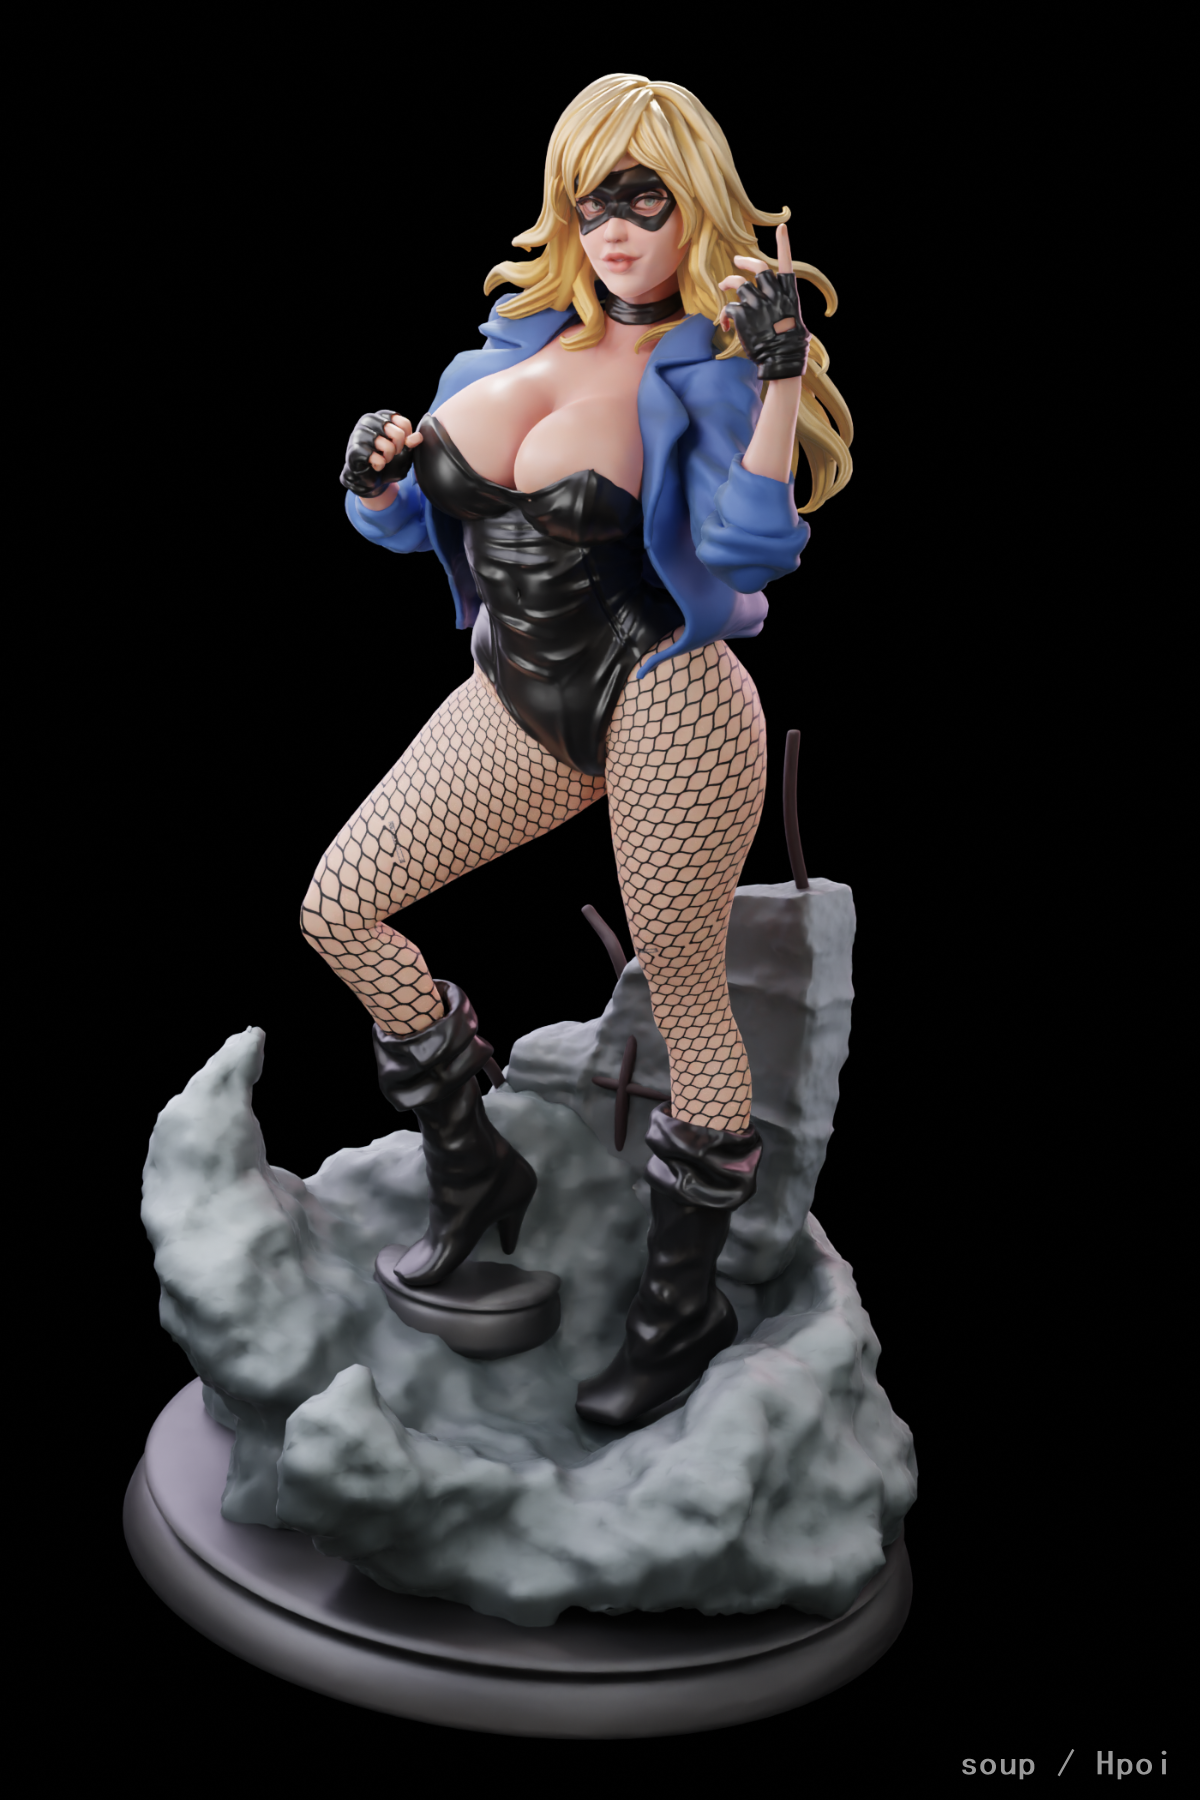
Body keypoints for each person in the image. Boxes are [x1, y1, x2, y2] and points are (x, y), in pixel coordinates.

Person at [304, 73, 853, 1430]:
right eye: (592, 197)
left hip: (669, 699)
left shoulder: (712, 372)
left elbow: (746, 550)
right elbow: (412, 524)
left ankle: (679, 1310)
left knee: (685, 992)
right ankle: (473, 1165)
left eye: (645, 199)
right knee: (339, 907)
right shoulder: (502, 351)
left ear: (696, 209)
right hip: (520, 695)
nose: (614, 227)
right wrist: (376, 473)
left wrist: (778, 381)